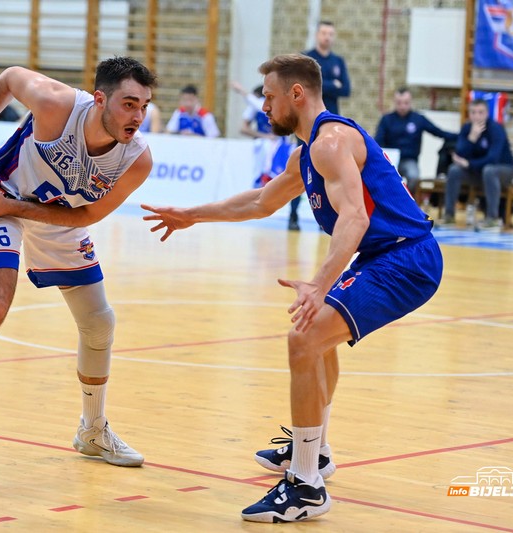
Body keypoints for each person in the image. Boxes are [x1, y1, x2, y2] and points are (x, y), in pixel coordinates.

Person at [142, 53, 442, 523]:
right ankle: (315, 452)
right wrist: (191, 214)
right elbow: (262, 201)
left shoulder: (330, 141)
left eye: (268, 96)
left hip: (407, 258)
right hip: (385, 256)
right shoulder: (306, 153)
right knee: (318, 340)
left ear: (296, 95)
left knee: (304, 336)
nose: (263, 106)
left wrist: (320, 285)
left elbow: (356, 218)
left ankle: (306, 486)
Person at [0, 57, 157, 484]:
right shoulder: (56, 103)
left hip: (57, 217)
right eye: (128, 104)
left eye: (144, 106)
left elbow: (85, 217)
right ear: (100, 99)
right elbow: (7, 79)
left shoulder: (136, 160)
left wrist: (20, 209)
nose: (137, 117)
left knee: (99, 323)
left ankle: (92, 431)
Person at [231, 81, 299, 230]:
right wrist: (264, 136)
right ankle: (261, 185)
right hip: (262, 142)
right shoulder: (256, 106)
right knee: (265, 148)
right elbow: (254, 109)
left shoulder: (279, 105)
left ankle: (273, 183)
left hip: (280, 142)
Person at [441, 98, 513, 231]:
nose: (477, 116)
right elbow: (460, 154)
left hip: (504, 170)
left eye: (480, 112)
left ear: (487, 114)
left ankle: (492, 219)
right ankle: (449, 215)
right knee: (454, 170)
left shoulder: (496, 129)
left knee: (489, 170)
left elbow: (493, 158)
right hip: (479, 172)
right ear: (469, 114)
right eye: (473, 112)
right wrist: (471, 139)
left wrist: (469, 164)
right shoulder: (467, 128)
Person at [374, 87, 457, 195]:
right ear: (395, 102)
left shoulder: (418, 119)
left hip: (409, 160)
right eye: (399, 103)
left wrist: (462, 136)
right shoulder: (386, 119)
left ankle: (407, 201)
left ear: (410, 102)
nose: (402, 106)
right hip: (390, 159)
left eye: (406, 103)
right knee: (379, 177)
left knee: (414, 176)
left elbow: (439, 132)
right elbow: (378, 141)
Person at [301, 21, 350, 115]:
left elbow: (346, 90)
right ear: (316, 35)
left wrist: (319, 85)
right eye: (324, 33)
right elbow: (306, 86)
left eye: (331, 34)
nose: (327, 37)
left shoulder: (338, 61)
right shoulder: (306, 58)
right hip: (310, 114)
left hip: (331, 114)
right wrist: (333, 84)